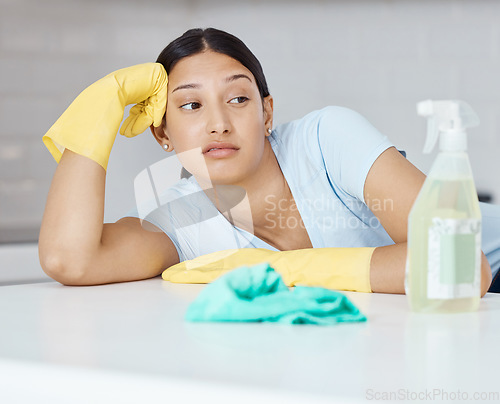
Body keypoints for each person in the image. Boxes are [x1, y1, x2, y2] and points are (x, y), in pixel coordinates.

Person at [39, 27, 499, 295]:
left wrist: (279, 271)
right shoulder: (183, 220)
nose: (218, 123)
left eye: (238, 98)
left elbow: (462, 265)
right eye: (191, 106)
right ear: (162, 133)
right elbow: (69, 260)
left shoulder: (327, 138)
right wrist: (103, 103)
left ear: (267, 113)